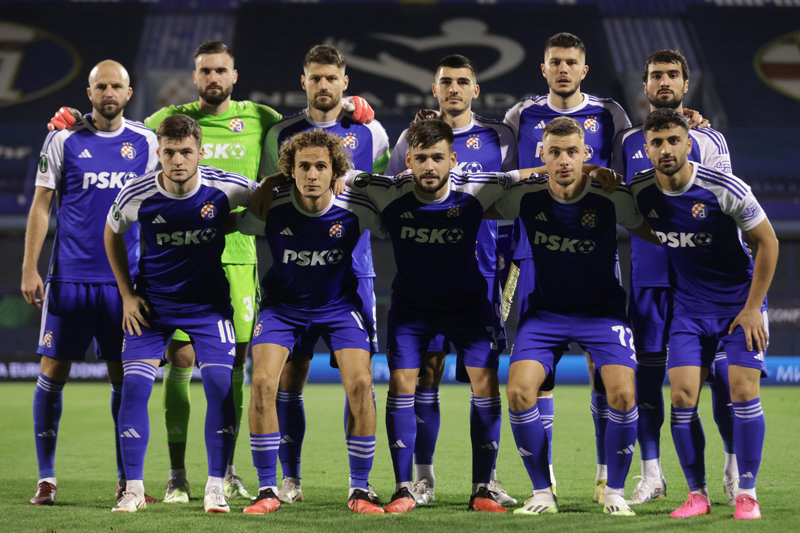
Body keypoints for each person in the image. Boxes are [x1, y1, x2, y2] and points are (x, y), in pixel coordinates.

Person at [47, 41, 375, 503]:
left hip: (238, 263)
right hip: (174, 277)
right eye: (205, 71)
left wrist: (351, 108)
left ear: (234, 75)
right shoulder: (167, 121)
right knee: (177, 365)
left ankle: (228, 474)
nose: (214, 77)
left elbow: (287, 161)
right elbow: (119, 124)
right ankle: (176, 475)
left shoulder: (261, 118)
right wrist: (77, 119)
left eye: (222, 70)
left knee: (236, 372)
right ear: (194, 76)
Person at [351, 118, 518, 514]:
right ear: (408, 160)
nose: (429, 166)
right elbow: (340, 175)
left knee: (485, 384)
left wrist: (584, 170)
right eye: (421, 157)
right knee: (401, 384)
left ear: (453, 160)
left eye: (438, 158)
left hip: (468, 307)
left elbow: (523, 176)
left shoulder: (475, 188)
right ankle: (404, 487)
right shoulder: (388, 191)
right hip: (412, 310)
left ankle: (482, 488)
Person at [494, 116, 658, 517]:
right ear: (542, 156)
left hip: (602, 314)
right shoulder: (525, 197)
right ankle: (542, 492)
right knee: (518, 392)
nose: (564, 160)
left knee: (623, 394)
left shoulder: (610, 196)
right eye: (555, 153)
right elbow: (473, 203)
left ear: (586, 154)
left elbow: (653, 231)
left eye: (572, 152)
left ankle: (614, 491)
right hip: (545, 315)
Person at [105, 114, 258, 514]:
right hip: (151, 309)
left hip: (208, 309)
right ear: (158, 153)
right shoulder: (137, 193)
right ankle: (133, 490)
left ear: (200, 152)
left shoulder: (226, 186)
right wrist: (126, 295)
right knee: (134, 388)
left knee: (220, 388)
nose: (177, 160)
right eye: (170, 152)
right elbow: (111, 232)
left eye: (186, 152)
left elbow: (267, 200)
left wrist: (240, 219)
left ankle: (215, 487)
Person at [258, 44, 390, 505]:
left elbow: (384, 189)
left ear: (344, 82)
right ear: (304, 82)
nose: (323, 85)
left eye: (331, 77)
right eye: (315, 77)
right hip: (296, 271)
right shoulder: (281, 133)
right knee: (289, 378)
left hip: (354, 275)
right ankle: (289, 479)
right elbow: (269, 194)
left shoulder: (370, 130)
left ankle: (360, 481)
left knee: (360, 380)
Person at [22, 60, 158, 506]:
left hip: (123, 287)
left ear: (129, 92)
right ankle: (46, 479)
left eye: (116, 86)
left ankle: (126, 480)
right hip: (69, 280)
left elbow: (161, 203)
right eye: (101, 86)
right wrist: (29, 268)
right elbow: (41, 205)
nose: (109, 93)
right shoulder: (63, 138)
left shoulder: (146, 142)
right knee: (52, 373)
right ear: (89, 93)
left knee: (124, 378)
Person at [631, 108, 778, 520]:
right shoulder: (640, 189)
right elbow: (634, 220)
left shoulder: (723, 187)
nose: (665, 149)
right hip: (690, 309)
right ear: (647, 149)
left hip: (738, 306)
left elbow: (768, 243)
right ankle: (697, 494)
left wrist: (753, 308)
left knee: (742, 392)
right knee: (681, 397)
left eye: (673, 141)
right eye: (656, 143)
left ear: (688, 143)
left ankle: (747, 493)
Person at [503, 31, 632, 499]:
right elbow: (504, 176)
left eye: (570, 62)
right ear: (544, 68)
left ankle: (605, 474)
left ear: (584, 69)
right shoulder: (521, 114)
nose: (562, 69)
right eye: (555, 61)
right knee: (540, 375)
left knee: (605, 370)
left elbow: (623, 173)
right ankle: (547, 480)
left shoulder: (610, 114)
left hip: (594, 249)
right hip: (532, 251)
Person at [386, 54, 517, 507]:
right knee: (427, 372)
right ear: (435, 88)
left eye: (463, 81)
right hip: (423, 277)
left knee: (485, 378)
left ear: (475, 90)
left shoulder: (500, 135)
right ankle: (423, 478)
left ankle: (488, 480)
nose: (454, 89)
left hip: (481, 275)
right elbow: (391, 192)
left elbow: (516, 187)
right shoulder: (411, 136)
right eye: (446, 82)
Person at [236, 130, 384, 515]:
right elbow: (239, 225)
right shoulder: (273, 206)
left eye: (321, 166)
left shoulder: (356, 206)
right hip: (283, 308)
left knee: (361, 383)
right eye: (303, 166)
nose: (312, 174)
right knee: (263, 383)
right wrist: (266, 185)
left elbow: (395, 219)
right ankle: (268, 488)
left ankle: (360, 487)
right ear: (291, 170)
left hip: (338, 306)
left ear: (336, 171)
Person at [613, 49, 737, 506]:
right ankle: (652, 474)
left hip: (701, 281)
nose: (663, 82)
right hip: (649, 277)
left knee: (721, 381)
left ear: (686, 84)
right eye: (655, 75)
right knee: (647, 380)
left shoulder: (709, 139)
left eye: (672, 75)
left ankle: (732, 470)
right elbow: (618, 199)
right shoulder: (628, 141)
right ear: (643, 85)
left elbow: (725, 208)